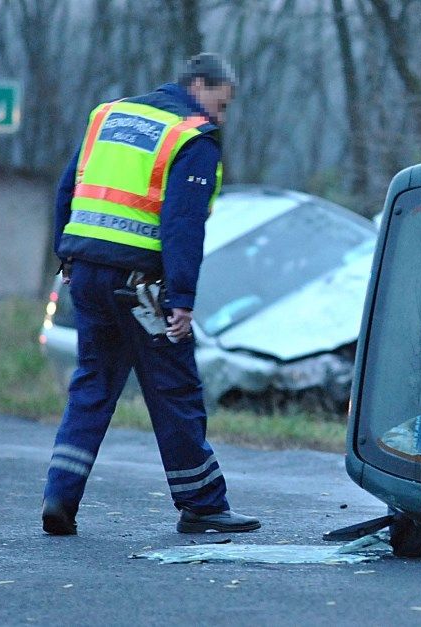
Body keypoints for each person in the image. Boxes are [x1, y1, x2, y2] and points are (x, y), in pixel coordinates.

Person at [42, 53, 260, 536]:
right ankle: (202, 504)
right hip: (142, 287)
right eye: (220, 105)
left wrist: (67, 256)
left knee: (93, 385)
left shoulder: (110, 115)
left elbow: (65, 190)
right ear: (198, 85)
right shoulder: (192, 136)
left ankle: (59, 496)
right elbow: (182, 223)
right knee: (175, 388)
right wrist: (181, 297)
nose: (219, 117)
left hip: (88, 272)